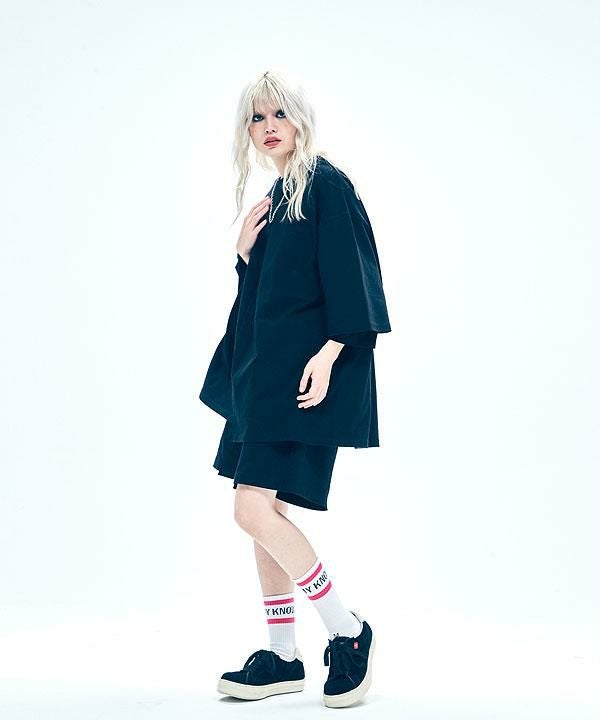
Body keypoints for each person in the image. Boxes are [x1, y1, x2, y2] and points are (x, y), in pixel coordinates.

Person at [198, 69, 391, 708]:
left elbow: (354, 275)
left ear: (301, 118)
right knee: (265, 514)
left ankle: (347, 629)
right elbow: (270, 300)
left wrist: (333, 353)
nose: (268, 126)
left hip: (301, 379)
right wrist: (246, 257)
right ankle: (282, 656)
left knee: (251, 509)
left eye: (278, 113)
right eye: (257, 117)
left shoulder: (325, 184)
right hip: (264, 380)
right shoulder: (278, 196)